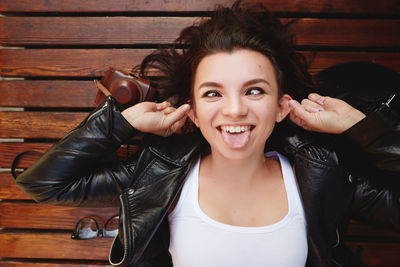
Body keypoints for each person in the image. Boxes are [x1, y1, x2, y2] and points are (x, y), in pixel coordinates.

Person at [15, 1, 399, 266]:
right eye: (213, 93)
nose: (234, 109)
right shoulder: (159, 175)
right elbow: (45, 184)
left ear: (282, 107)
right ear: (194, 113)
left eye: (254, 90)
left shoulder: (322, 174)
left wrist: (361, 128)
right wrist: (122, 123)